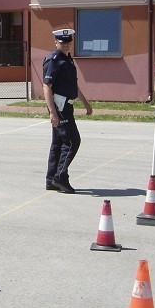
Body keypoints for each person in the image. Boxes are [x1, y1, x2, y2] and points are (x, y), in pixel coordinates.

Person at [43, 29, 92, 194]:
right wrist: (52, 112)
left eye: (67, 41)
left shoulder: (67, 60)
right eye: (62, 42)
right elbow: (46, 86)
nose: (65, 44)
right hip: (60, 107)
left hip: (66, 106)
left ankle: (51, 179)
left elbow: (73, 86)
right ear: (56, 42)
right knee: (72, 142)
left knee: (58, 144)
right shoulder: (54, 60)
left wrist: (86, 104)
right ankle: (60, 177)